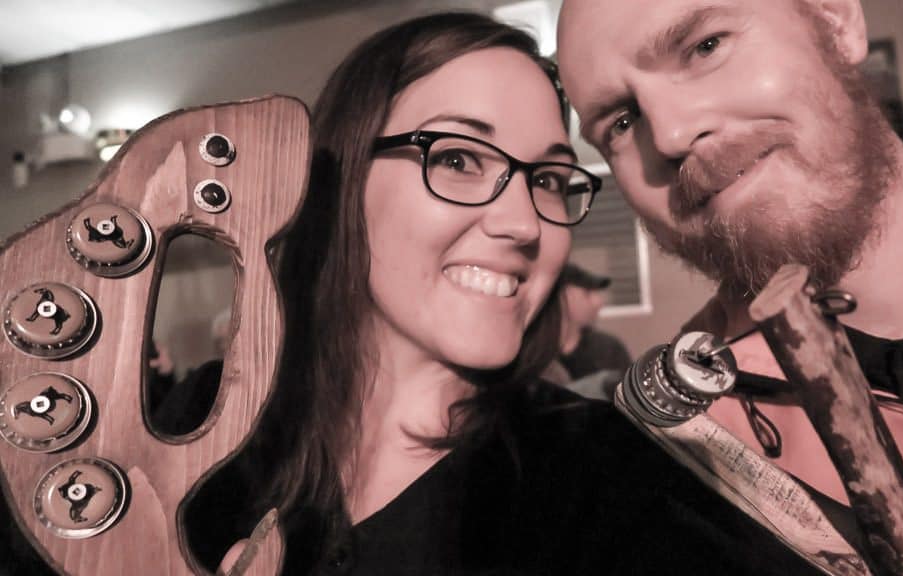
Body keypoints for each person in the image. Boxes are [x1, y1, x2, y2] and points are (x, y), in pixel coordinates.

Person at [169, 11, 828, 576]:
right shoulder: (192, 426)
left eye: (548, 177)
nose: (522, 222)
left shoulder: (609, 480)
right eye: (458, 158)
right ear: (341, 181)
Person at [556, 0, 903, 572]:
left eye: (705, 47)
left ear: (835, 19)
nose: (673, 134)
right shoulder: (681, 456)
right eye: (622, 123)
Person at [546, 262, 631, 400]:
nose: (599, 302)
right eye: (587, 293)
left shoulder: (608, 348)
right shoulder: (532, 356)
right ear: (560, 296)